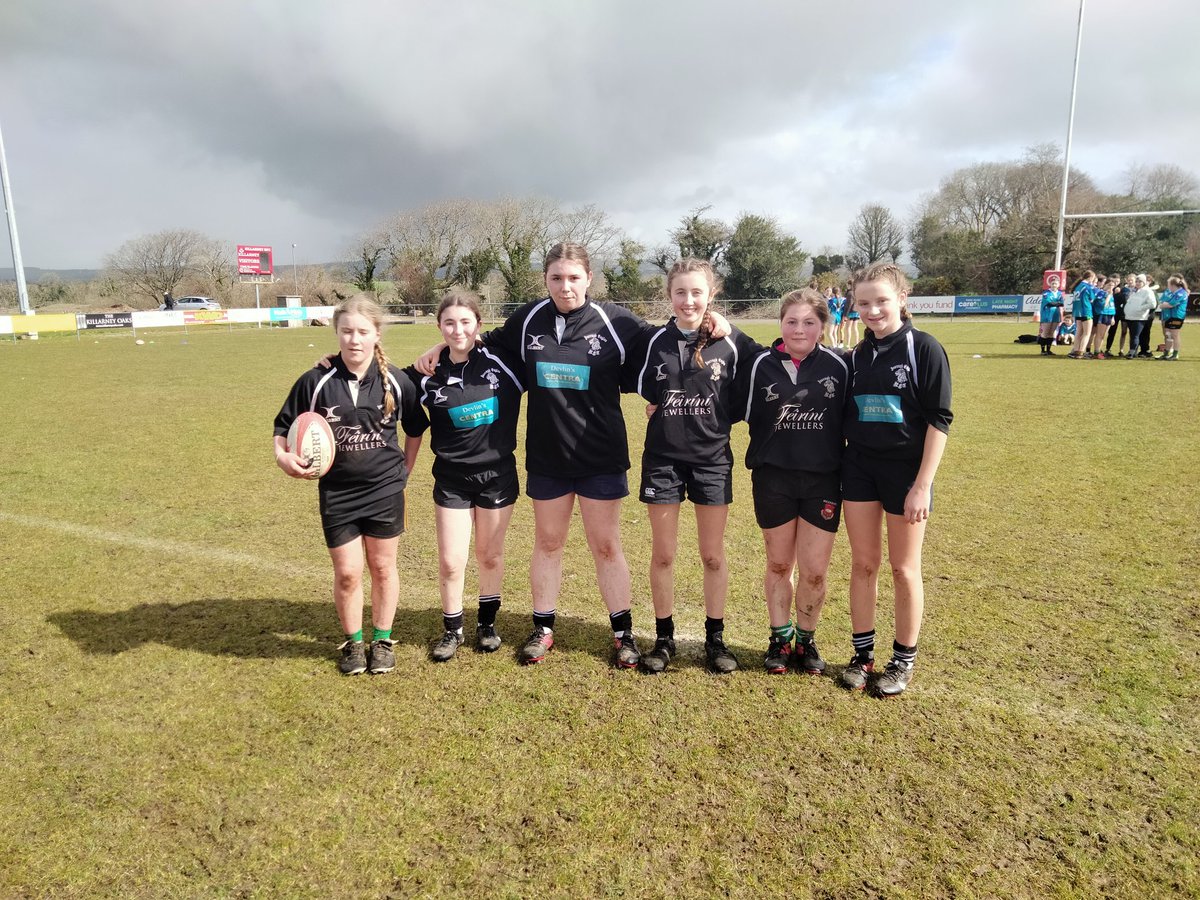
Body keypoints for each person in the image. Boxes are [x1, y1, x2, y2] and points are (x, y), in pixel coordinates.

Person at [414, 243, 730, 669]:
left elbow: (667, 340)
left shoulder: (615, 322)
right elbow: (476, 343)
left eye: (574, 278)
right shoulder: (527, 319)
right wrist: (435, 349)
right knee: (548, 543)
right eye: (556, 278)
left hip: (601, 455)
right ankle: (543, 628)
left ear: (589, 279)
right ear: (545, 279)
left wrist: (713, 320)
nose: (566, 287)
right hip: (548, 457)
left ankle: (623, 635)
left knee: (605, 545)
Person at [274, 295, 428, 676]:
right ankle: (354, 643)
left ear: (377, 333)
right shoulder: (316, 379)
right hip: (338, 493)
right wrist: (283, 458)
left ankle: (382, 639)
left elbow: (416, 429)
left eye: (362, 331)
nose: (354, 340)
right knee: (347, 573)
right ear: (336, 334)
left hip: (385, 491)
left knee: (382, 566)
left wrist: (403, 471)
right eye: (346, 332)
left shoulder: (396, 379)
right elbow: (282, 428)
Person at [631, 258, 759, 675]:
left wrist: (725, 324)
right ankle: (664, 638)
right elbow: (649, 388)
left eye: (697, 292)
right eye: (680, 292)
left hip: (712, 462)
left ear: (711, 295)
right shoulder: (654, 342)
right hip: (663, 461)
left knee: (713, 556)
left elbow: (771, 361)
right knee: (664, 554)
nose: (689, 301)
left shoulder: (732, 340)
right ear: (668, 295)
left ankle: (715, 640)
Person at [841, 263, 952, 697]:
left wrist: (922, 484)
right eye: (864, 303)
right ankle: (862, 656)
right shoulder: (856, 356)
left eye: (882, 300)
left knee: (904, 569)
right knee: (863, 564)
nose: (872, 310)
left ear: (902, 299)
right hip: (859, 470)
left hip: (906, 475)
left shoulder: (924, 348)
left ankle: (902, 660)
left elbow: (939, 420)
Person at [405, 294, 525, 661]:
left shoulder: (505, 364)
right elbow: (376, 378)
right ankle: (452, 629)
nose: (458, 330)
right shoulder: (423, 374)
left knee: (489, 555)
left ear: (479, 324)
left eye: (465, 322)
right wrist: (326, 362)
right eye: (449, 324)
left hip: (497, 474)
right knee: (451, 560)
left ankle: (487, 625)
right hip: (452, 479)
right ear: (439, 326)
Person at [739, 288, 850, 676]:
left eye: (808, 322)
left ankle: (806, 639)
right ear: (780, 323)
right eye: (791, 321)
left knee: (815, 570)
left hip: (823, 481)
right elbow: (721, 399)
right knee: (779, 563)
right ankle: (779, 639)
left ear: (823, 325)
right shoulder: (758, 366)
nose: (799, 329)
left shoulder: (841, 366)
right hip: (773, 478)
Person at [1157, 274, 1189, 360]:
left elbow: (1170, 304)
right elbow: (1164, 303)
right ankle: (1166, 353)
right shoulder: (1173, 293)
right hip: (1169, 316)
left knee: (1175, 335)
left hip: (1176, 317)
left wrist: (1164, 305)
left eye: (1168, 284)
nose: (1168, 286)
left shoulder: (1181, 293)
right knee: (1168, 335)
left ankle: (1175, 354)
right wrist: (1164, 304)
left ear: (1173, 285)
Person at [1124, 274, 1156, 359]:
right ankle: (1133, 351)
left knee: (1135, 335)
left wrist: (1140, 308)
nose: (1138, 283)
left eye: (1140, 282)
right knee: (1132, 335)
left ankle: (1132, 352)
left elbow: (1153, 304)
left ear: (1144, 282)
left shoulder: (1148, 291)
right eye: (1137, 281)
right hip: (1130, 316)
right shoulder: (1135, 291)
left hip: (1139, 317)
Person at [1067, 271, 1097, 359]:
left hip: (1077, 312)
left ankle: (1075, 350)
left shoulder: (1078, 286)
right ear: (1091, 277)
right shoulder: (1088, 287)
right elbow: (1092, 299)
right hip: (1086, 311)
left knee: (1078, 332)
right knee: (1087, 333)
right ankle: (1080, 352)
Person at [1088, 276, 1116, 359]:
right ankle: (1096, 352)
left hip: (1109, 314)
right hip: (1102, 314)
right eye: (1109, 285)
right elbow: (1104, 304)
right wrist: (1108, 295)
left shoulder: (1110, 294)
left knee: (1104, 335)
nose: (1111, 287)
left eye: (1112, 285)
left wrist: (1113, 317)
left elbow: (1112, 305)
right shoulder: (1101, 292)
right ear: (1105, 284)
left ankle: (1099, 350)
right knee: (1099, 334)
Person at [1037, 275, 1065, 355]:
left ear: (1058, 285)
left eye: (1055, 284)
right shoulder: (1046, 293)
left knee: (1051, 332)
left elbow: (1062, 303)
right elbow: (1049, 303)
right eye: (1052, 283)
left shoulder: (1060, 293)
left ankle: (1048, 350)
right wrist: (1057, 303)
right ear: (1050, 284)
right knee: (1045, 332)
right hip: (1047, 314)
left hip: (1056, 314)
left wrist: (1056, 303)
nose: (1054, 285)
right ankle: (1043, 350)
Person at [1106, 274, 1132, 356]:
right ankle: (1108, 349)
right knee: (1112, 331)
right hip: (1114, 313)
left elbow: (1125, 299)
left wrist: (1119, 293)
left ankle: (1121, 350)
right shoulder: (1109, 289)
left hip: (1123, 313)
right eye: (1114, 281)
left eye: (1117, 281)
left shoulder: (1124, 289)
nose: (1116, 283)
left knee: (1124, 331)